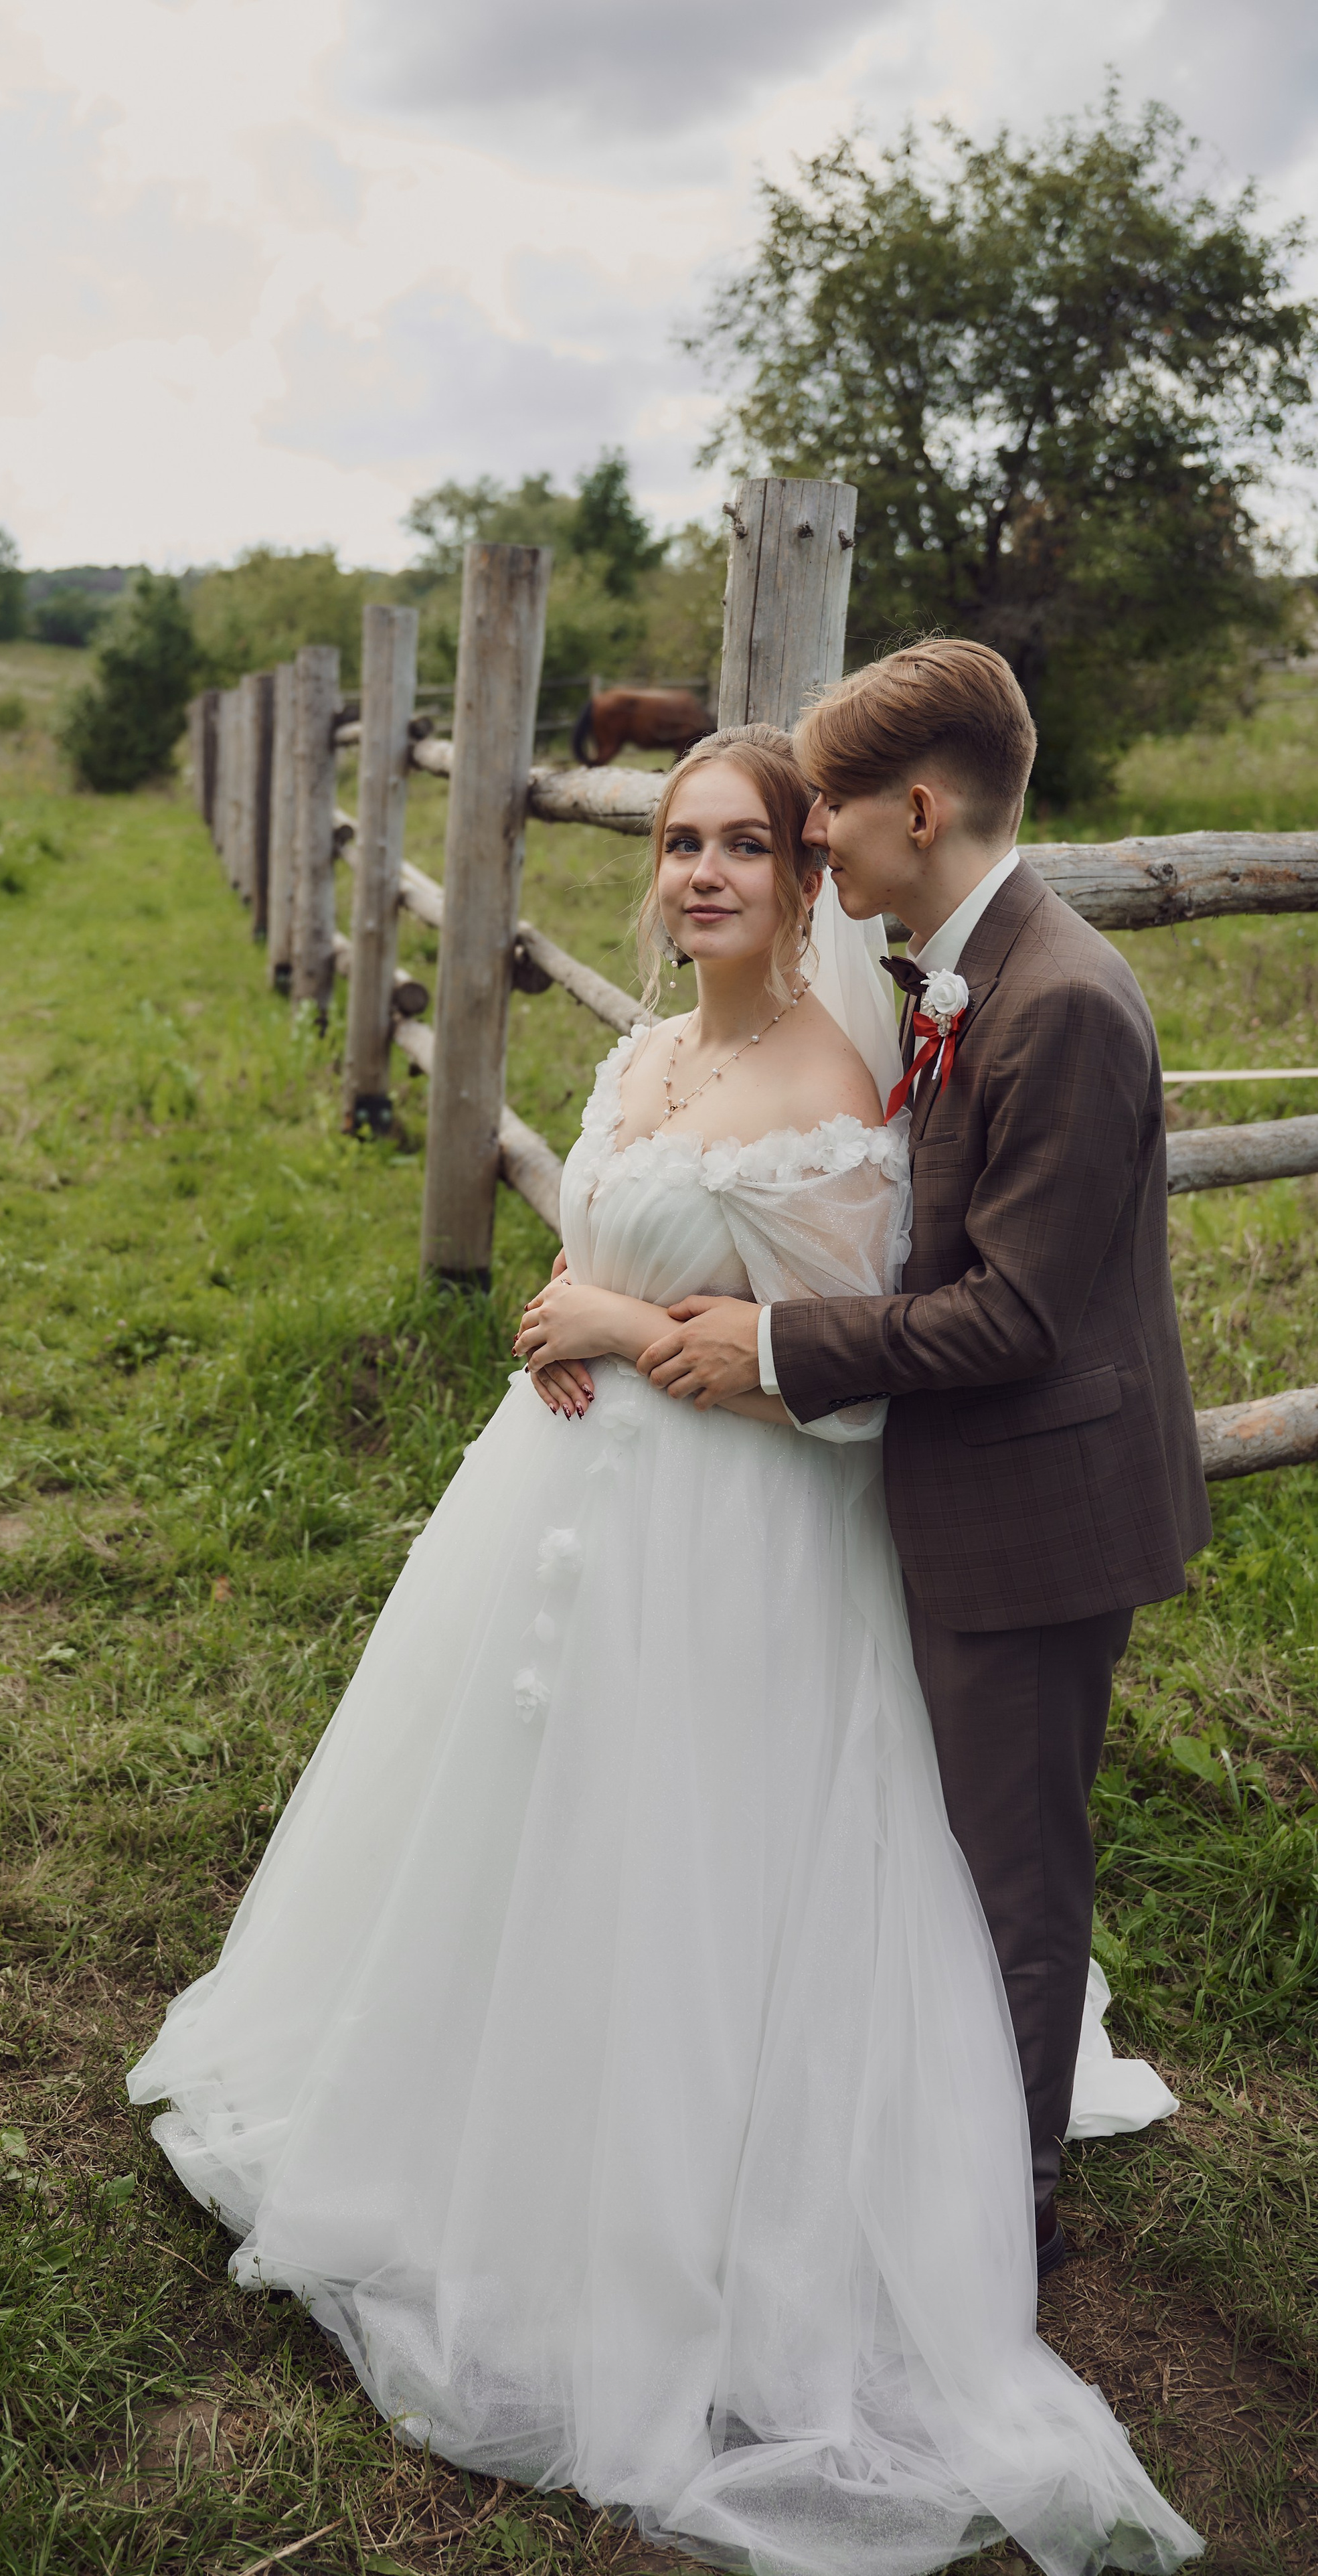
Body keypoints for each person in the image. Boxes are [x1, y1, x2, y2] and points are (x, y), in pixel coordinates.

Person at [129, 724, 1200, 2573]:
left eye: (745, 846)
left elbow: (850, 1383)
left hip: (734, 1542)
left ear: (809, 875)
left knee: (686, 1862)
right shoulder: (642, 1049)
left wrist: (625, 1330)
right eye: (681, 842)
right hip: (556, 1510)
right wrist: (568, 1299)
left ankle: (710, 2194)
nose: (701, 872)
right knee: (513, 1829)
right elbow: (615, 1234)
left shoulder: (838, 1084)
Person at [637, 647, 1210, 2281]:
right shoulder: (957, 967)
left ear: (914, 807)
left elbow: (1015, 1316)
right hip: (970, 1487)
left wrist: (769, 1345)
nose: (808, 832)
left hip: (1038, 1512)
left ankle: (1008, 2202)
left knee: (1009, 1864)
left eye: (820, 805)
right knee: (953, 1847)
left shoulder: (1061, 998)